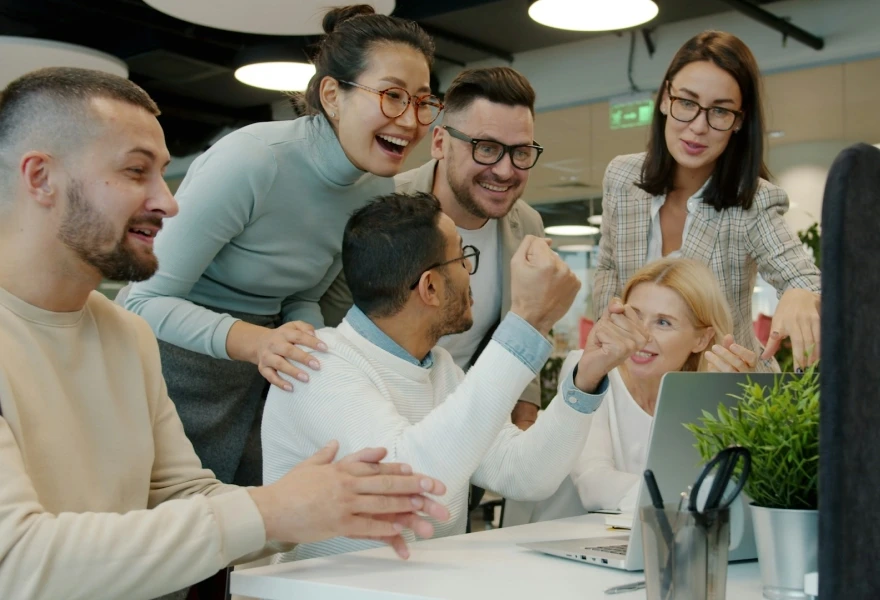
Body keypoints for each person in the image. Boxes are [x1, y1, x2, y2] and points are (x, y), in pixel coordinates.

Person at [0, 66, 451, 600]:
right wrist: (271, 511)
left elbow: (181, 494)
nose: (168, 202)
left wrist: (322, 505)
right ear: (40, 177)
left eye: (161, 174)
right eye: (135, 171)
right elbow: (16, 560)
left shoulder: (126, 333)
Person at [123, 5, 443, 486]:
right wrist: (258, 342)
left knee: (252, 522)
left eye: (422, 101)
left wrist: (320, 351)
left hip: (262, 373)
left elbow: (304, 297)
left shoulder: (375, 188)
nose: (411, 119)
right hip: (171, 369)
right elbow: (142, 301)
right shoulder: (254, 160)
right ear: (332, 95)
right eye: (393, 96)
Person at [262, 192, 652, 562]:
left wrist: (585, 378)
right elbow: (410, 480)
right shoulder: (318, 364)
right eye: (463, 258)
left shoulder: (440, 367)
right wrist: (526, 322)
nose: (469, 272)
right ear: (430, 287)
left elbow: (525, 474)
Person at [321, 66, 547, 430]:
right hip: (370, 419)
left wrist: (524, 413)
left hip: (470, 423)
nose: (505, 171)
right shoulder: (380, 210)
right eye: (487, 148)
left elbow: (524, 325)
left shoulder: (528, 226)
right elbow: (332, 323)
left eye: (520, 152)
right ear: (440, 142)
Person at [593, 30, 821, 372]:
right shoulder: (622, 178)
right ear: (665, 99)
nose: (699, 127)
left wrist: (802, 294)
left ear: (739, 121)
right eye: (687, 103)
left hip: (725, 389)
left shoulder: (751, 202)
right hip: (635, 383)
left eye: (720, 111)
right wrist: (610, 343)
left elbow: (807, 282)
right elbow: (610, 267)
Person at [527, 257, 756, 522]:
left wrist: (735, 408)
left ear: (702, 339)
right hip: (565, 538)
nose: (641, 335)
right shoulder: (589, 368)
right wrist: (688, 499)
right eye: (634, 316)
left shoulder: (701, 393)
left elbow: (730, 485)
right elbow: (593, 484)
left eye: (663, 322)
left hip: (656, 540)